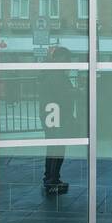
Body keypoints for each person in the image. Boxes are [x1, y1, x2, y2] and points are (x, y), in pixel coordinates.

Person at [40, 44, 76, 195]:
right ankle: (52, 180)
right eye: (67, 59)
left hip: (50, 115)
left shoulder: (50, 74)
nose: (69, 63)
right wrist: (75, 92)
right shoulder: (57, 75)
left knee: (53, 148)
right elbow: (62, 95)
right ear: (60, 59)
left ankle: (50, 177)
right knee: (58, 149)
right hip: (56, 116)